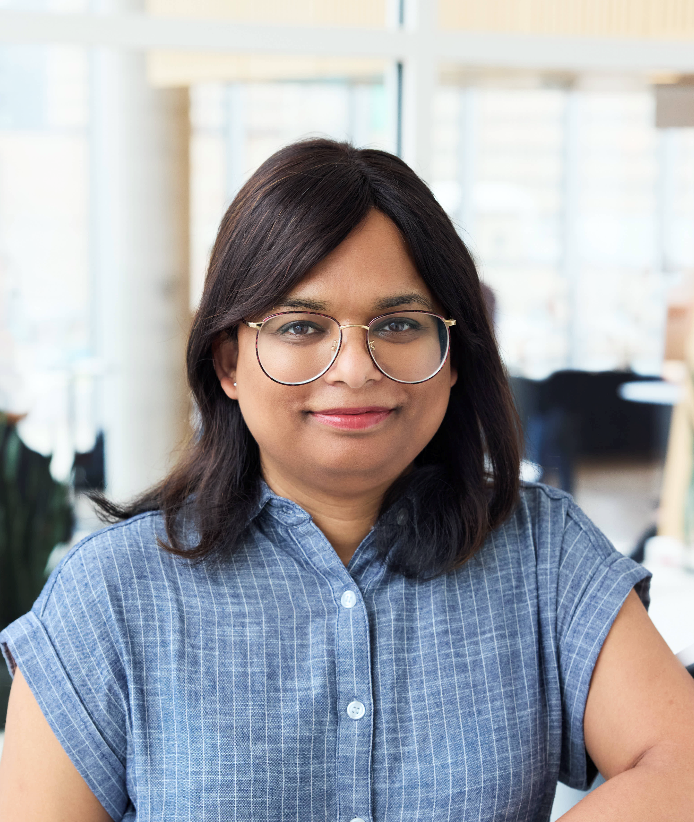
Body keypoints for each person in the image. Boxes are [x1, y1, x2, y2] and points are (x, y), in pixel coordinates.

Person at [1, 139, 693, 822]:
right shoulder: (111, 595)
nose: (356, 368)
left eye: (398, 322)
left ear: (453, 357)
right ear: (228, 363)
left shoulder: (544, 552)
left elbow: (679, 765)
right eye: (302, 325)